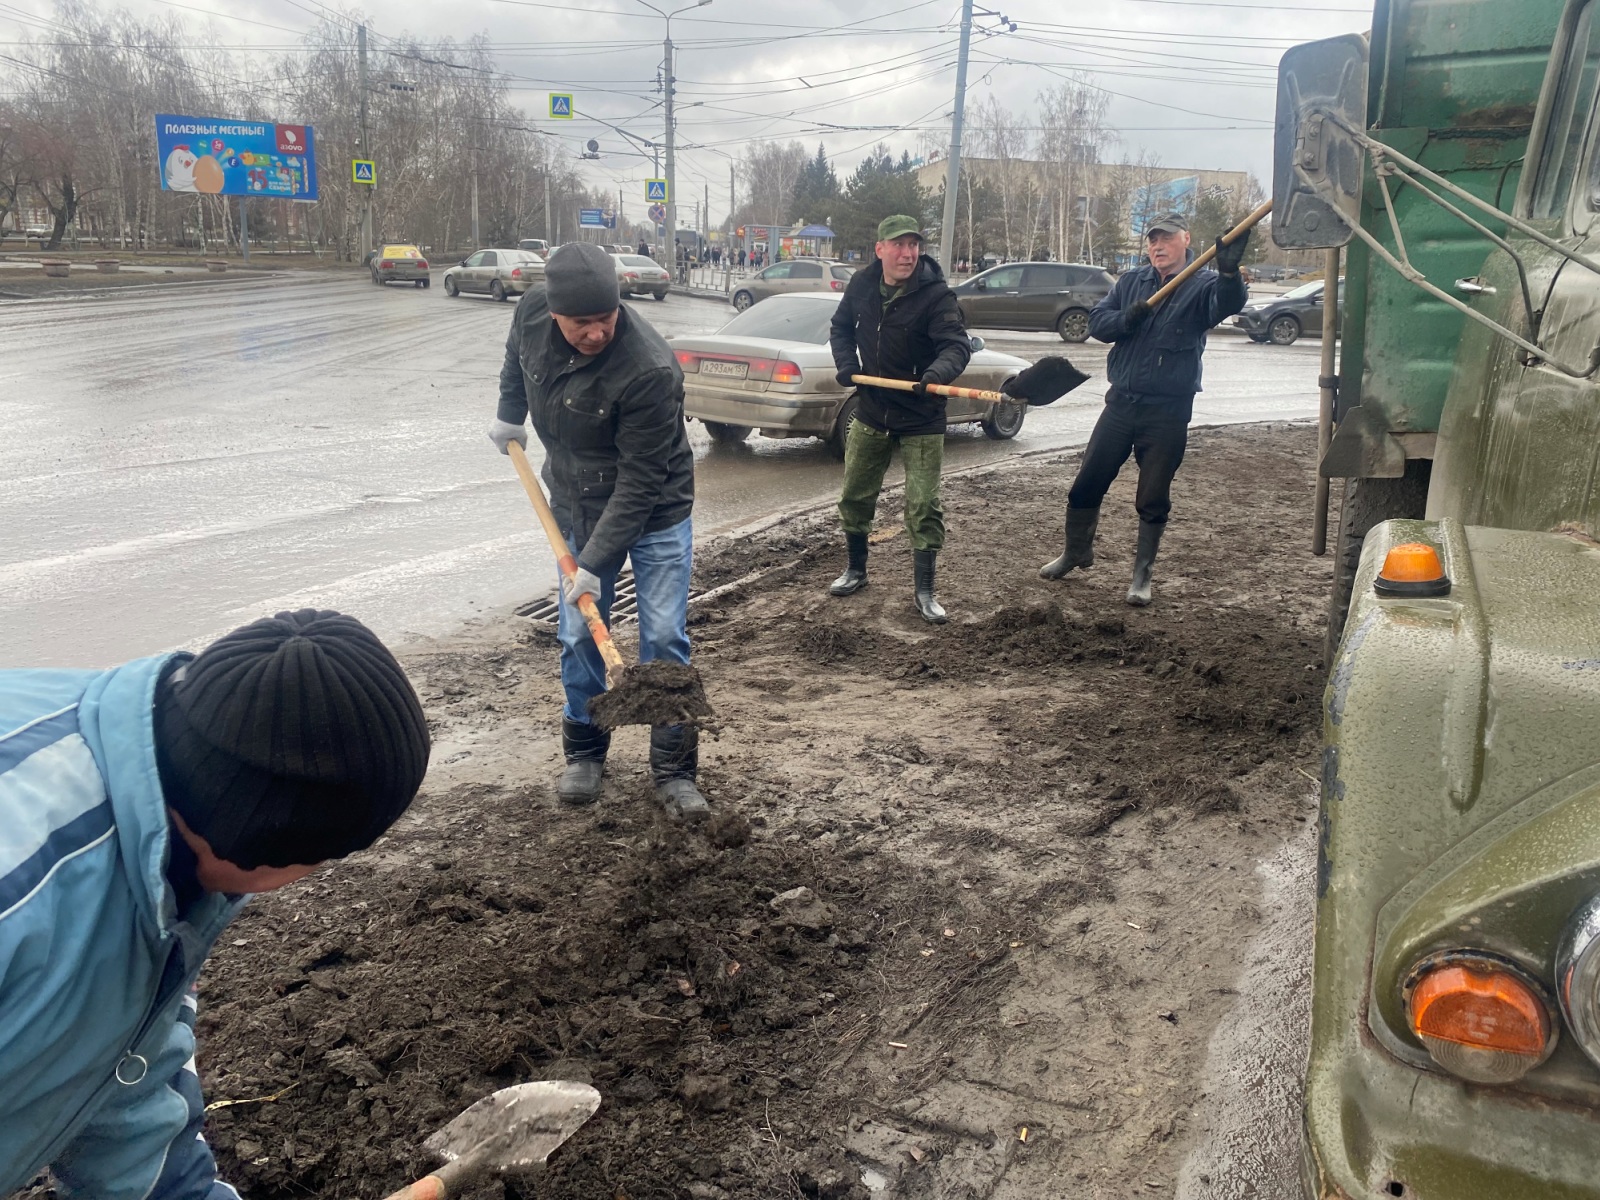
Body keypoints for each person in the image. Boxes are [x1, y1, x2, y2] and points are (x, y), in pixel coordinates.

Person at [0, 609, 431, 1200]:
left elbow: (126, 1068)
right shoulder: (24, 891)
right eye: (329, 855)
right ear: (262, 850)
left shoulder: (165, 819)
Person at [487, 243, 705, 820]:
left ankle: (675, 769)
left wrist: (596, 561)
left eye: (605, 319)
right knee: (580, 634)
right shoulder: (532, 311)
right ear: (555, 313)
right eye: (582, 323)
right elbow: (517, 358)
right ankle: (585, 752)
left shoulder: (649, 368)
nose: (596, 333)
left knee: (662, 638)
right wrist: (510, 411)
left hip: (654, 509)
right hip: (572, 500)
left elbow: (640, 482)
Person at [1040, 211, 1249, 605]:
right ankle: (1076, 551)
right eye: (1153, 239)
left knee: (1152, 496)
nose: (1157, 246)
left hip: (1167, 411)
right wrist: (1126, 319)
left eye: (1166, 239)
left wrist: (1229, 273)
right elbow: (1099, 325)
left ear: (1185, 239)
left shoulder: (1201, 284)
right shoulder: (1133, 281)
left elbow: (1225, 304)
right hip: (1121, 404)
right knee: (1087, 482)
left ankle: (1142, 575)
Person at [828, 214, 972, 624]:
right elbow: (840, 328)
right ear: (881, 249)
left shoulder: (936, 295)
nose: (907, 254)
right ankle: (856, 570)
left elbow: (956, 347)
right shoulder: (861, 286)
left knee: (923, 504)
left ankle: (925, 591)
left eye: (913, 245)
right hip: (873, 410)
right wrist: (846, 362)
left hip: (921, 417)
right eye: (899, 245)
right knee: (855, 494)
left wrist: (936, 374)